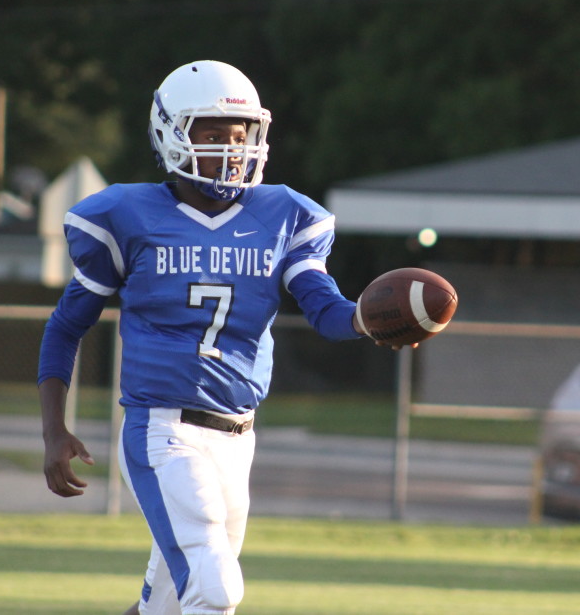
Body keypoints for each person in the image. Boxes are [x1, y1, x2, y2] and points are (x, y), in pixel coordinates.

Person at [38, 60, 405, 615]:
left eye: (239, 135)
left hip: (237, 437)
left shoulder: (284, 216)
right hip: (163, 431)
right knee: (215, 589)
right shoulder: (127, 216)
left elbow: (327, 311)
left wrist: (365, 320)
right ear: (171, 134)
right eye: (212, 135)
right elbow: (67, 326)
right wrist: (53, 430)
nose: (231, 150)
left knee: (168, 604)